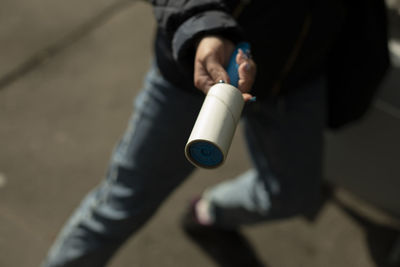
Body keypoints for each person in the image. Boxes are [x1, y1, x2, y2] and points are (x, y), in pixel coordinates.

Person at [41, 0, 387, 266]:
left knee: (294, 194)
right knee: (122, 204)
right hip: (199, 68)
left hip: (296, 76)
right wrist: (202, 27)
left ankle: (208, 214)